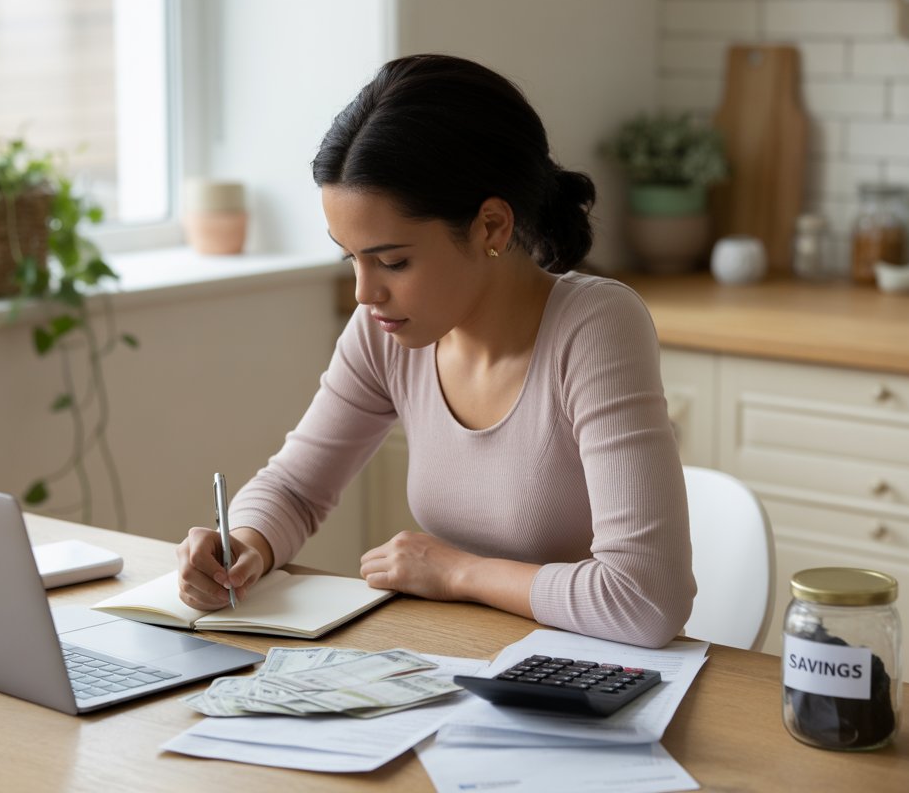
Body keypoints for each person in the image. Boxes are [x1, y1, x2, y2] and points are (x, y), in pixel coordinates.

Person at [176, 54, 695, 648]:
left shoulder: (595, 327)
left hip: (589, 679)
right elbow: (295, 488)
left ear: (492, 227)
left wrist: (457, 571)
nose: (364, 293)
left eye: (393, 261)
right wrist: (243, 542)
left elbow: (647, 600)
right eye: (352, 258)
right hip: (456, 663)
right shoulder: (386, 330)